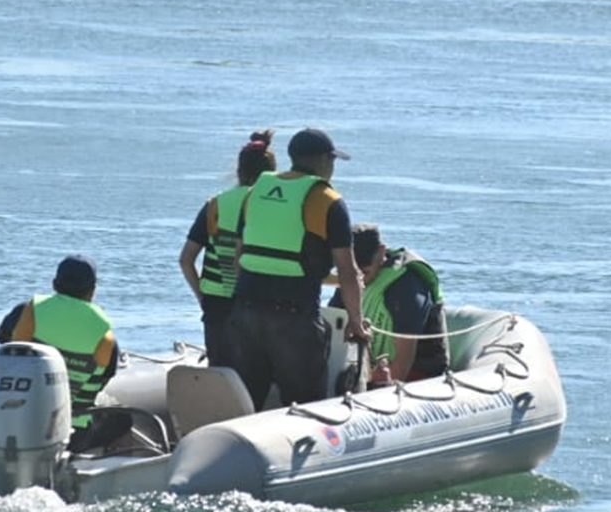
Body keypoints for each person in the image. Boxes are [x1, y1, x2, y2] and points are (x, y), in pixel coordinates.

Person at [228, 126, 368, 408]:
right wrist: (356, 322)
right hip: (294, 315)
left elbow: (239, 255)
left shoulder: (255, 192)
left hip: (244, 310)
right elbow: (348, 270)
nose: (332, 168)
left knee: (249, 398)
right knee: (305, 403)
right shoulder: (327, 201)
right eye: (332, 161)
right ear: (322, 160)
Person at [0, 255, 125, 453]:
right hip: (71, 434)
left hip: (14, 421)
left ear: (54, 284)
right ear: (93, 291)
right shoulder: (105, 337)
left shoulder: (28, 311)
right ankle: (92, 460)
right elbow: (101, 382)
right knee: (123, 419)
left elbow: (4, 343)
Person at [178, 129, 277, 370]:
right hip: (257, 302)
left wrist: (202, 297)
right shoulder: (272, 207)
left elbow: (186, 260)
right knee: (256, 375)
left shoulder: (215, 205)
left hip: (216, 303)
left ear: (238, 171)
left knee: (220, 373)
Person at [341, 223, 448, 385]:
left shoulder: (407, 287)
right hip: (368, 368)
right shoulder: (350, 279)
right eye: (355, 273)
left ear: (381, 252)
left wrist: (382, 385)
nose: (360, 278)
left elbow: (404, 359)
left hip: (419, 373)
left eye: (365, 271)